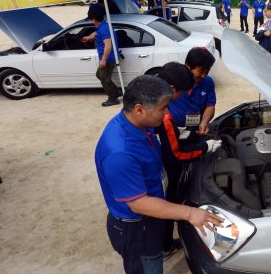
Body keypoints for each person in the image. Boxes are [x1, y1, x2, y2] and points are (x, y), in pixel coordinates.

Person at [95, 75, 223, 274]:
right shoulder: (121, 153)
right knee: (149, 267)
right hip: (138, 229)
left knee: (155, 255)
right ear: (139, 109)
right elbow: (139, 203)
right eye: (163, 108)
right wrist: (190, 213)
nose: (167, 114)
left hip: (150, 220)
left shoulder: (139, 126)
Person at [154, 62, 222, 258]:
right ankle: (165, 246)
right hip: (163, 169)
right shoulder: (164, 116)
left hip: (157, 159)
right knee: (168, 204)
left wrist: (176, 134)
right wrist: (204, 148)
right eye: (181, 93)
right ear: (172, 89)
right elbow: (177, 156)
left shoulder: (152, 100)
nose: (180, 98)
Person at [169, 47, 217, 135]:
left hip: (196, 130)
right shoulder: (173, 79)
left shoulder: (208, 82)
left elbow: (210, 105)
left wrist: (204, 122)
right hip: (172, 130)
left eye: (207, 71)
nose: (204, 75)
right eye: (201, 71)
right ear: (188, 66)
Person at [82, 5, 121, 107]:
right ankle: (117, 91)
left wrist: (103, 60)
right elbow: (96, 33)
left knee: (104, 79)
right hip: (107, 57)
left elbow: (108, 45)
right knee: (100, 75)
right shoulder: (103, 26)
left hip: (108, 58)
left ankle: (113, 98)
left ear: (93, 19)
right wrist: (88, 37)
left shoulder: (104, 29)